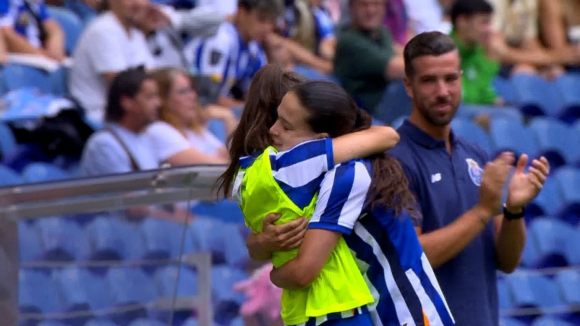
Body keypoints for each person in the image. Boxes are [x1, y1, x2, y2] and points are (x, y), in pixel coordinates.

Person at [217, 65, 402, 326]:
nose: (275, 130)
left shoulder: (244, 177)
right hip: (341, 305)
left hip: (298, 312)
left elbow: (258, 248)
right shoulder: (295, 163)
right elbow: (388, 135)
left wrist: (260, 248)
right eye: (282, 121)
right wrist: (274, 274)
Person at [387, 31, 551, 326]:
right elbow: (412, 257)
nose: (443, 91)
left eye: (451, 78)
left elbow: (508, 262)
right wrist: (482, 211)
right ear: (409, 86)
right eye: (429, 80)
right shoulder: (396, 160)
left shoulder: (475, 153)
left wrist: (514, 210)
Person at [263, 81, 455, 326]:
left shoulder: (346, 176)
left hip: (407, 313)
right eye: (277, 119)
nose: (273, 130)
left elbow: (303, 272)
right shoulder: (322, 174)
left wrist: (272, 275)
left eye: (286, 126)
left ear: (321, 140)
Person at [146, 67, 235, 166]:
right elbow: (219, 169)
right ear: (163, 99)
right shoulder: (159, 130)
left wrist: (229, 118)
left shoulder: (195, 130)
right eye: (183, 92)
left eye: (192, 89)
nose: (192, 96)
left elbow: (233, 157)